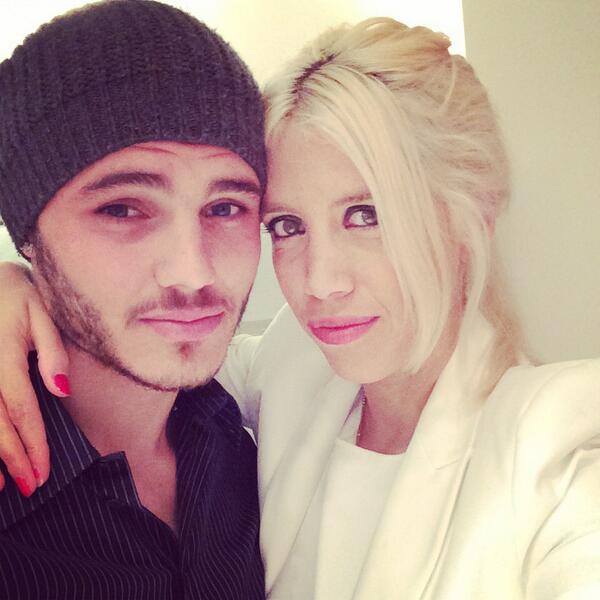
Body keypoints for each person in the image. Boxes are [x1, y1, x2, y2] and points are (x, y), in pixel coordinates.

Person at [1, 14, 600, 600]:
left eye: (367, 215)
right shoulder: (287, 367)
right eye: (287, 225)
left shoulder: (558, 451)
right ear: (28, 231)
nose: (321, 283)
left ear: (475, 212)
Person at [0, 1, 265, 598]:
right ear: (28, 237)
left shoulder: (244, 445)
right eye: (121, 209)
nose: (192, 271)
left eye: (225, 207)